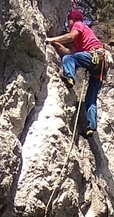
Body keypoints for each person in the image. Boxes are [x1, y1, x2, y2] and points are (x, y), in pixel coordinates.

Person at [45, 9, 106, 138]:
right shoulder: (82, 40)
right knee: (91, 97)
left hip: (95, 56)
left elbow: (70, 39)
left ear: (72, 19)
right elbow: (70, 51)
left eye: (69, 21)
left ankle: (70, 78)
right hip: (101, 65)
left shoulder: (78, 24)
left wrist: (51, 39)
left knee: (68, 60)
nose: (68, 24)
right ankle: (91, 127)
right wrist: (55, 44)